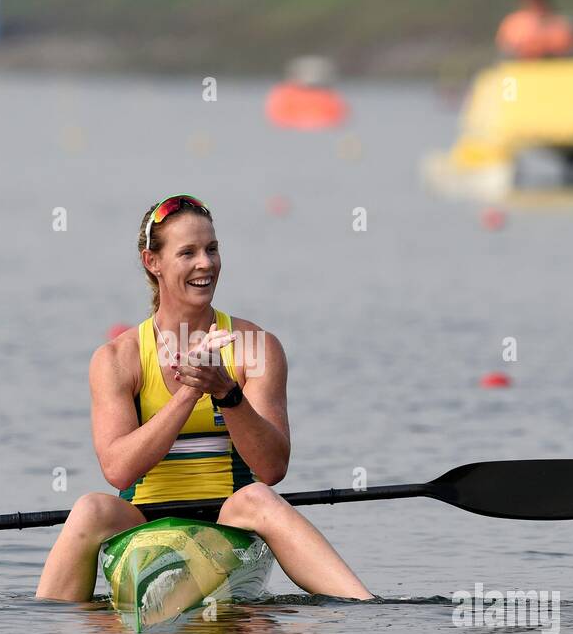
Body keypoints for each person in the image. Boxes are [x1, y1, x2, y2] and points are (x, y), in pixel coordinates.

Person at [35, 194, 373, 603]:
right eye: (188, 252)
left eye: (212, 249)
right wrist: (190, 392)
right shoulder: (117, 359)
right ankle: (48, 628)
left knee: (258, 497)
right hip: (142, 519)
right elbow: (119, 471)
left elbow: (272, 468)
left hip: (230, 517)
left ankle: (366, 607)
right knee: (89, 507)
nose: (205, 264)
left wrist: (226, 392)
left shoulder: (255, 348)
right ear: (152, 262)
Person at [495, 0, 573, 60]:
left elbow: (564, 48)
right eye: (533, 2)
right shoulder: (514, 22)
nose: (536, 6)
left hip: (554, 68)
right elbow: (507, 48)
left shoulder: (559, 23)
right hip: (520, 67)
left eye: (539, 2)